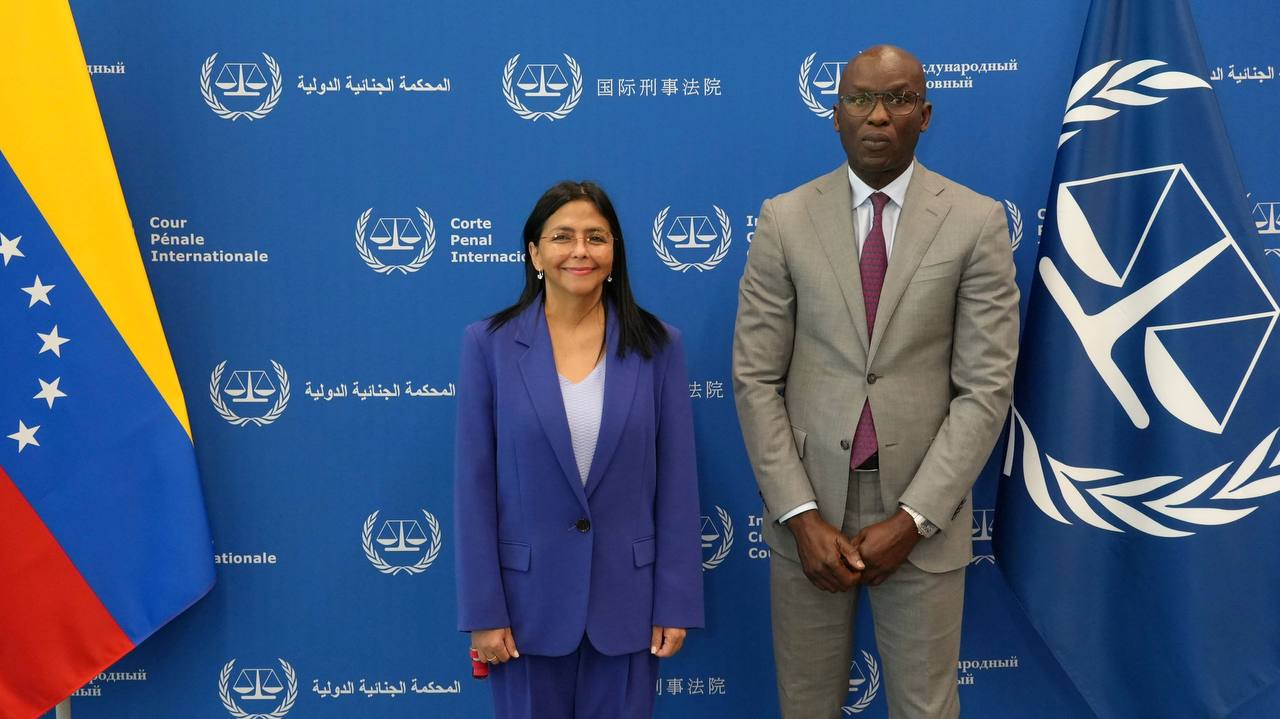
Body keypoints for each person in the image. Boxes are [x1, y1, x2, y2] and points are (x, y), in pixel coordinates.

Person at [732, 45, 1019, 718]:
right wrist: (799, 515)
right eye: (860, 99)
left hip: (923, 512)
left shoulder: (976, 221)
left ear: (926, 114)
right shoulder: (785, 218)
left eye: (897, 99)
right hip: (808, 512)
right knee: (806, 704)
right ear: (835, 115)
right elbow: (754, 377)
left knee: (926, 707)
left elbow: (985, 389)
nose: (878, 115)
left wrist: (914, 519)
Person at [454, 180, 704, 719]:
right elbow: (473, 489)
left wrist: (676, 601)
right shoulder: (489, 346)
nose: (580, 250)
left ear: (614, 252)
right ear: (534, 253)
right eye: (562, 236)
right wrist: (483, 611)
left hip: (629, 607)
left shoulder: (659, 346)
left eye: (596, 237)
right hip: (524, 611)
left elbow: (678, 484)